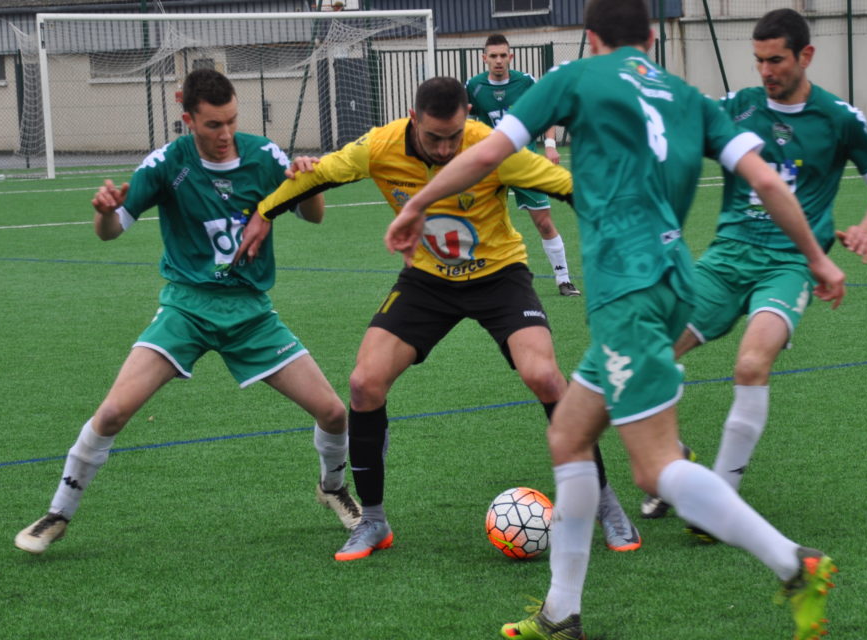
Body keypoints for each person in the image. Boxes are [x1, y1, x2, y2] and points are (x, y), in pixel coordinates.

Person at [386, 2, 845, 638]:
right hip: (674, 281)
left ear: (592, 37)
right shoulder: (688, 95)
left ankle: (795, 564)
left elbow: (488, 153)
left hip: (628, 290)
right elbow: (767, 181)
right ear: (652, 37)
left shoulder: (575, 77)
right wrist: (817, 258)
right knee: (569, 436)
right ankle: (560, 613)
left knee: (653, 467)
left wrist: (418, 203)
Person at [234, 76, 642, 562]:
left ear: (467, 116)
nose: (446, 148)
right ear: (413, 119)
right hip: (427, 281)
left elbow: (566, 185)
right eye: (434, 137)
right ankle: (373, 521)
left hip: (499, 276)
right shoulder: (380, 146)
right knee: (364, 383)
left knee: (545, 376)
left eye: (454, 136)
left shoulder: (491, 147)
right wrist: (264, 213)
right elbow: (322, 174)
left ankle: (605, 503)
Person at [14, 69, 360, 555]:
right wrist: (104, 211)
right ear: (189, 120)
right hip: (187, 309)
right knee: (112, 411)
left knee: (333, 412)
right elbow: (110, 232)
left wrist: (309, 183)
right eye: (214, 124)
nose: (226, 134)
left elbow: (313, 215)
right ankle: (57, 514)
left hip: (250, 313)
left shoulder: (265, 155)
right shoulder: (166, 164)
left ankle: (332, 488)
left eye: (232, 121)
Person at [640, 8, 867, 527]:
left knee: (751, 364)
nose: (766, 71)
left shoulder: (840, 119)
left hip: (788, 265)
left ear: (806, 55)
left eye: (776, 60)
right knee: (651, 357)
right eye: (759, 60)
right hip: (727, 257)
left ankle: (720, 503)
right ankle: (673, 459)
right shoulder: (737, 107)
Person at [466, 33, 581, 297]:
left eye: (502, 55)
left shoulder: (526, 82)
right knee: (481, 223)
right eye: (493, 56)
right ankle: (480, 281)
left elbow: (548, 112)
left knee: (544, 222)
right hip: (491, 165)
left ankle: (563, 279)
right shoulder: (473, 86)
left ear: (511, 56)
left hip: (523, 162)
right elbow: (466, 121)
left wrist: (550, 146)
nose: (498, 60)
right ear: (484, 58)